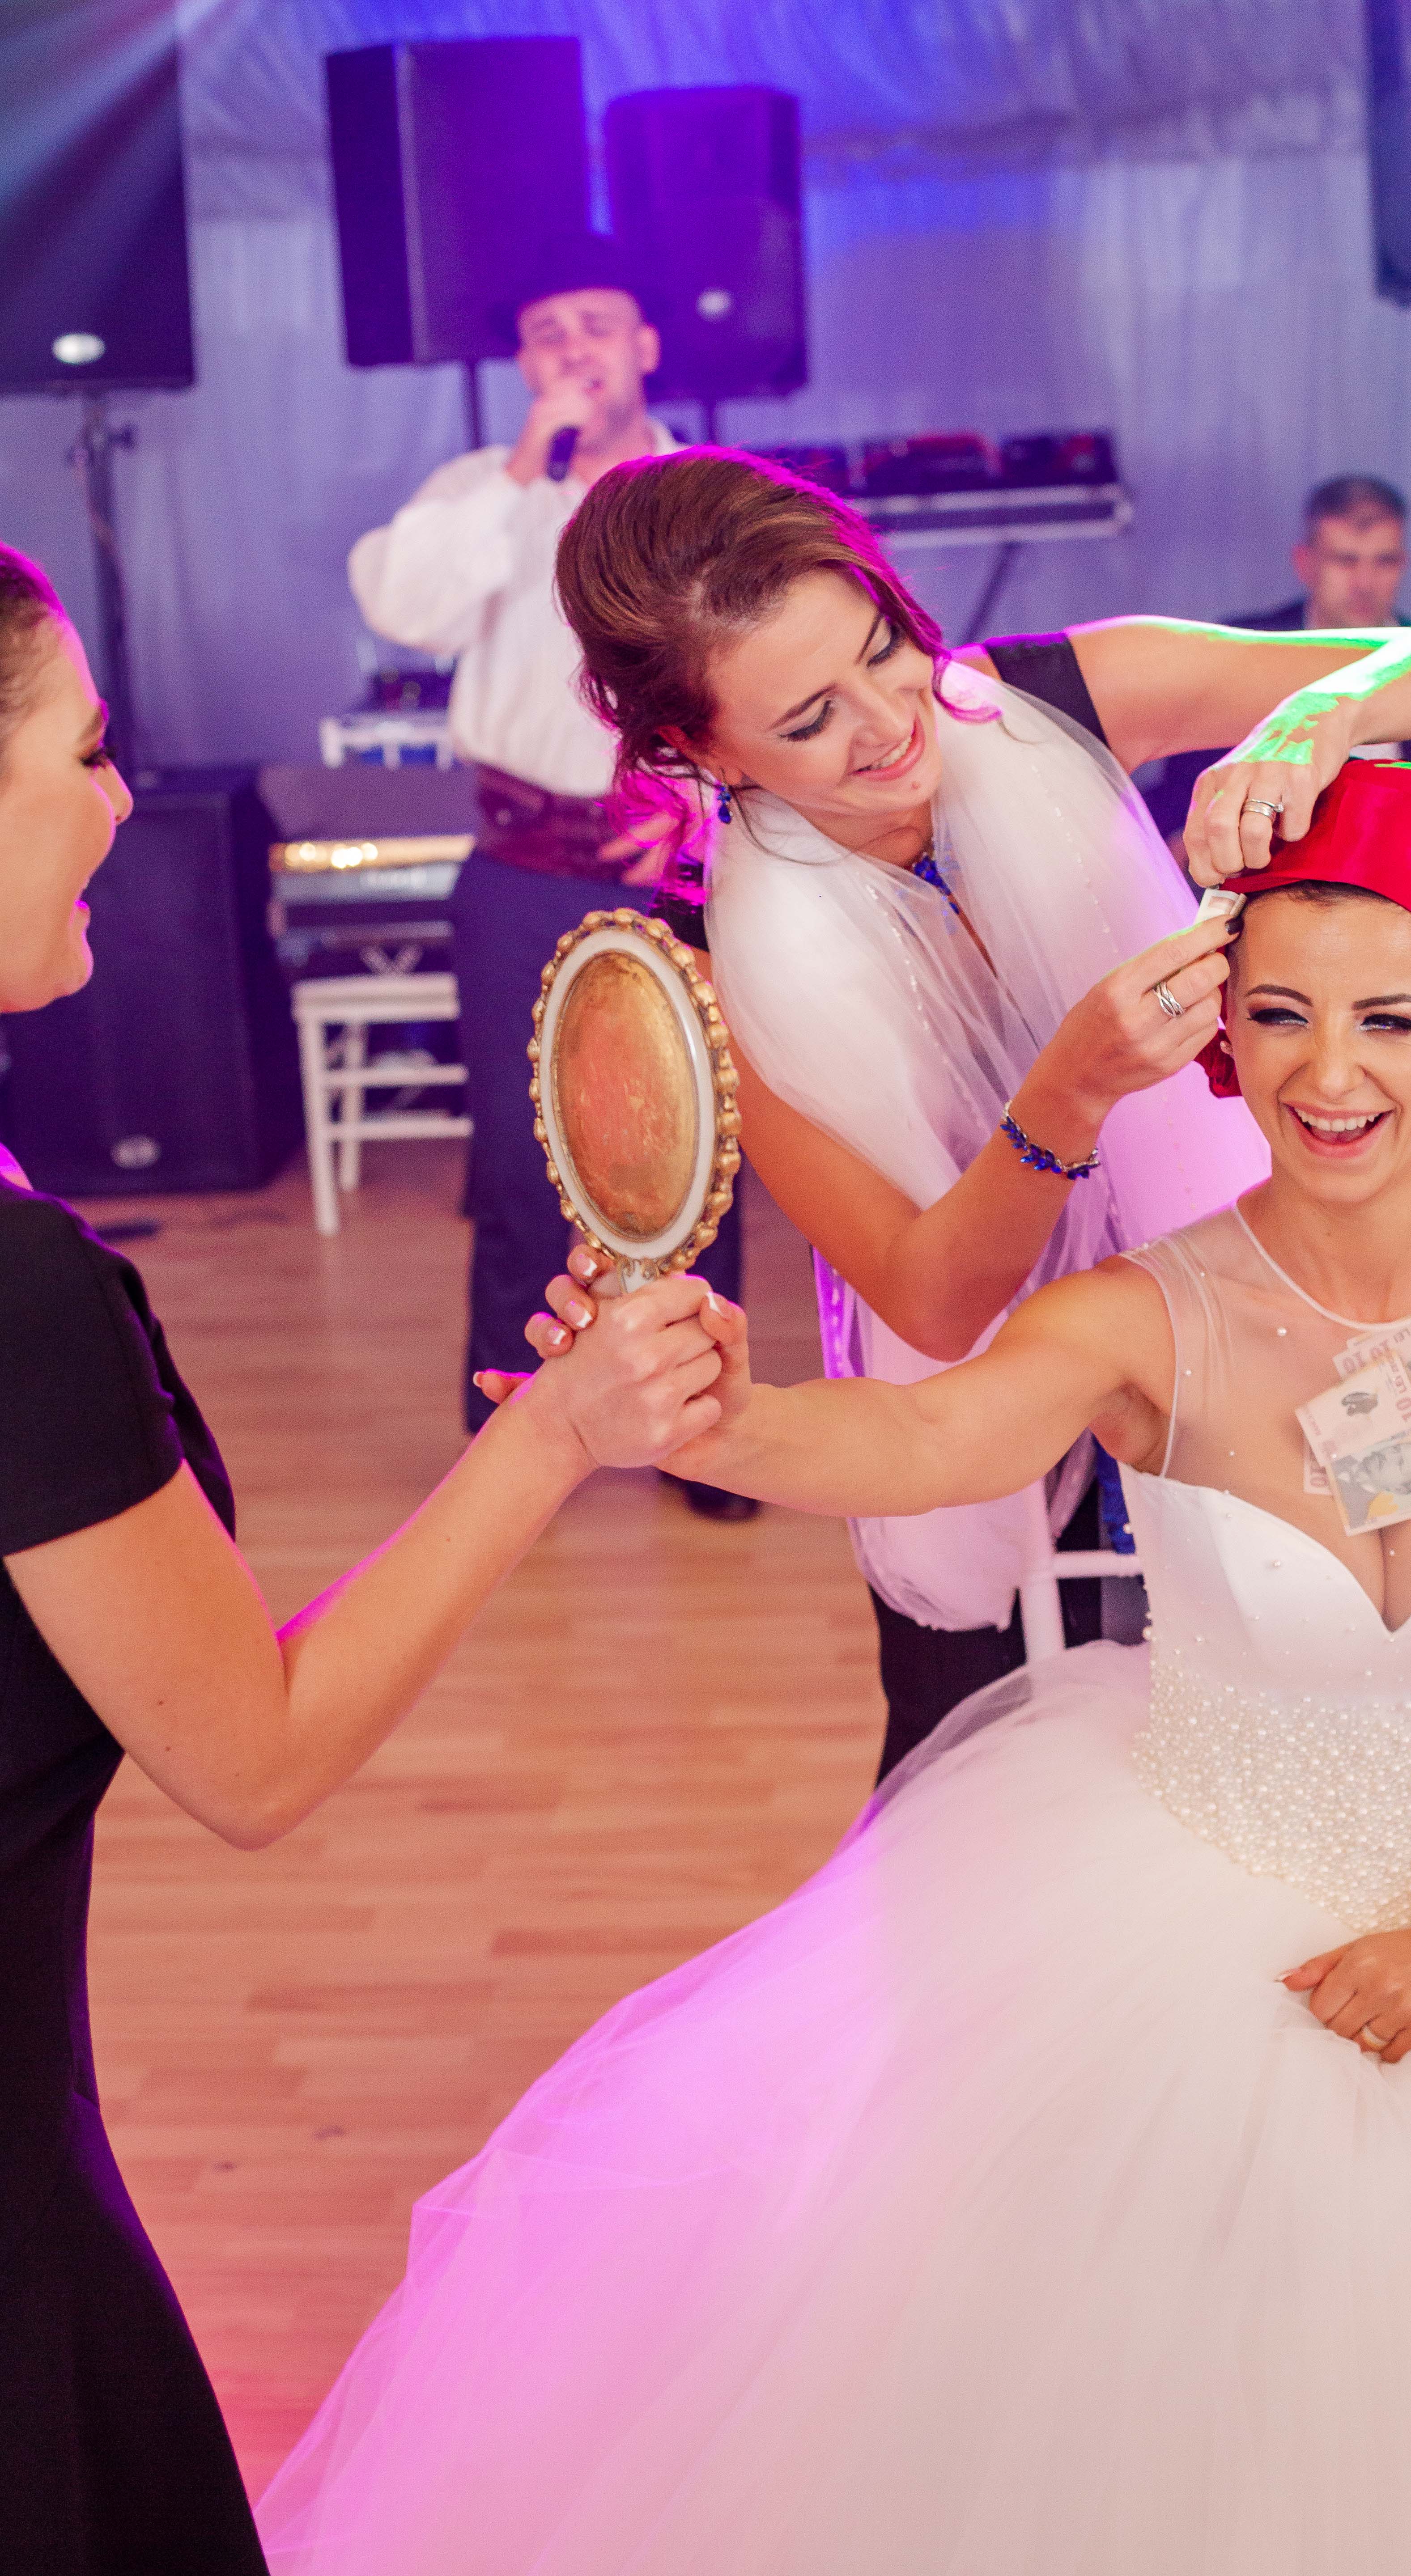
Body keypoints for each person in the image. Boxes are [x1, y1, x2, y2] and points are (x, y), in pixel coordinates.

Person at [255, 757, 1411, 2572]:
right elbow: (923, 1438)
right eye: (1278, 1014)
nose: (1328, 1074)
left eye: (1389, 1020)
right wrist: (699, 1417)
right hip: (1198, 1943)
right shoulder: (1144, 1312)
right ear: (1223, 1024)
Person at [0, 544, 729, 2576]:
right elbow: (257, 1749)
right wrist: (555, 1430)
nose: (121, 801)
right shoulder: (20, 1298)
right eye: (83, 751)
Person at [554, 446, 1411, 1776]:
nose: (890, 722)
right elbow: (931, 1301)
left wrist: (1326, 706)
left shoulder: (1044, 700)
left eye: (883, 647)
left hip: (1281, 1328)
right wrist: (1067, 1093)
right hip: (991, 1440)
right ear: (693, 745)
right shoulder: (721, 962)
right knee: (1031, 1809)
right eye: (808, 720)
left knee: (1377, 1745)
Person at [348, 246, 751, 1513]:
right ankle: (509, 1429)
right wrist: (526, 468)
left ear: (645, 347)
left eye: (596, 323)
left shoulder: (710, 496)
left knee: (697, 1150)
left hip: (673, 867)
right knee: (523, 1160)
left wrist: (701, 814)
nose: (573, 347)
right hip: (520, 869)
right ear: (523, 364)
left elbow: (761, 679)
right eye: (545, 331)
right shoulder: (484, 489)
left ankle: (706, 1434)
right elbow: (403, 609)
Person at [1149, 471, 1411, 868]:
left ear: (1403, 564)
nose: (1365, 582)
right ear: (1305, 563)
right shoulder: (1247, 647)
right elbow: (1181, 799)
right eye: (1346, 561)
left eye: (1384, 561)